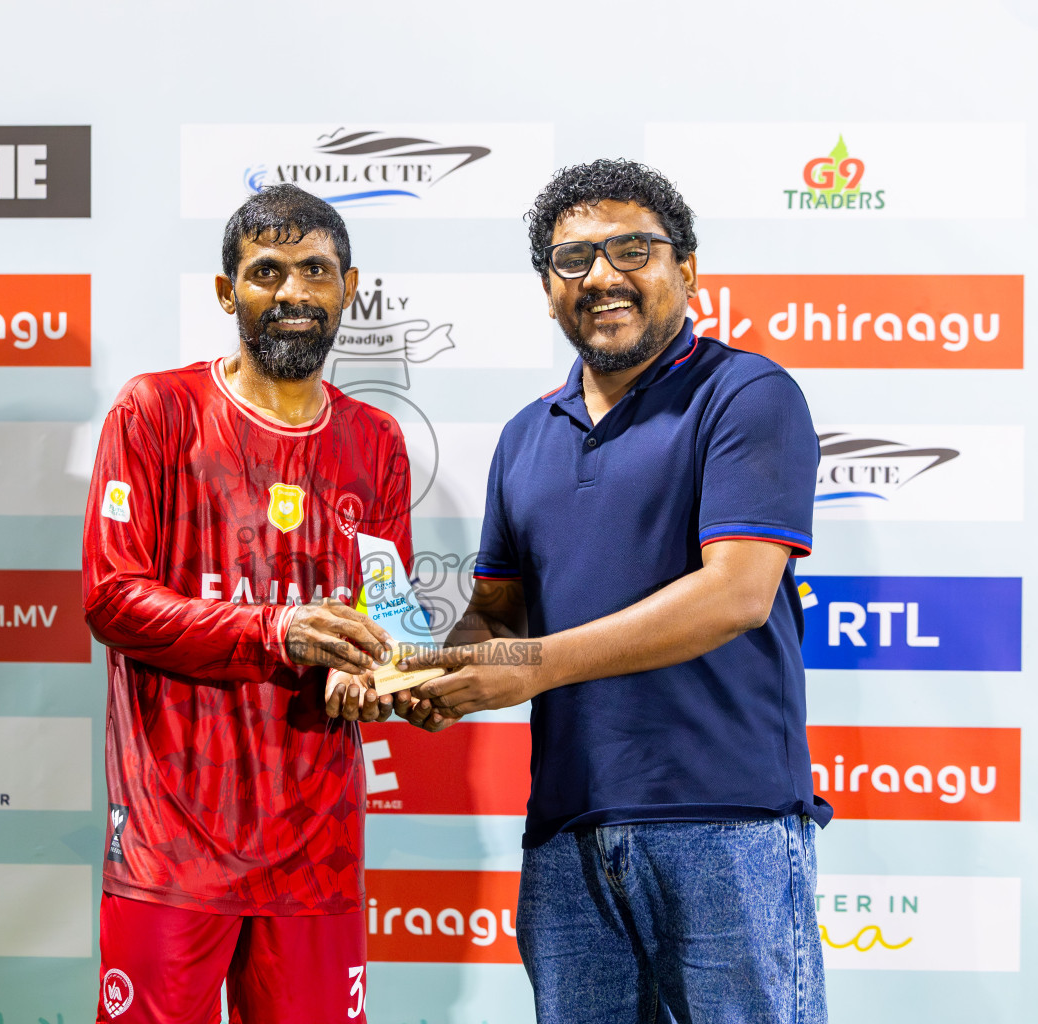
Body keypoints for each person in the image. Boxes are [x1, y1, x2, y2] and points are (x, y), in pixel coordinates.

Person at [399, 159, 830, 1024]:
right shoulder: (527, 434)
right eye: (572, 260)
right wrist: (412, 673)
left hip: (724, 819)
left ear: (689, 268)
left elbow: (737, 594)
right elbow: (497, 614)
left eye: (632, 249)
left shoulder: (747, 394)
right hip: (566, 831)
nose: (601, 276)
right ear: (547, 287)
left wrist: (533, 665)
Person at [82, 183, 415, 1024]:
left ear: (347, 287)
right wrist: (278, 630)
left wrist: (371, 673)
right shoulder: (156, 411)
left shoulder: (376, 442)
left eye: (316, 271)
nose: (294, 292)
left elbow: (388, 625)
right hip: (172, 847)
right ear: (228, 292)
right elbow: (112, 599)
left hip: (317, 855)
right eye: (267, 272)